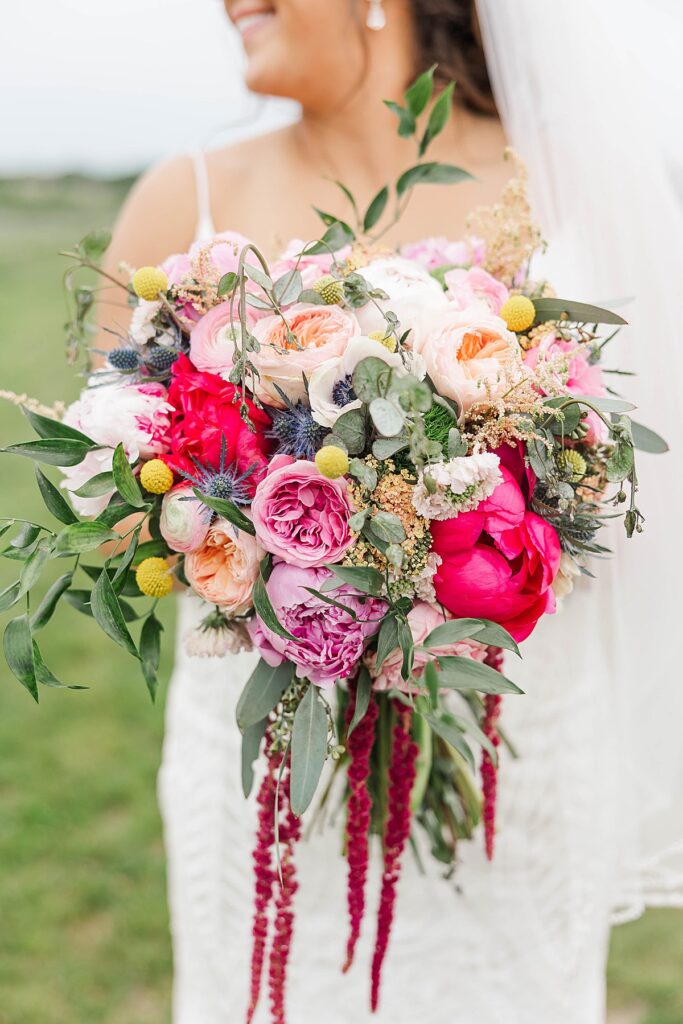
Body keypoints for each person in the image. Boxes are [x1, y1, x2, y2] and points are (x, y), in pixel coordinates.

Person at [99, 1, 683, 1021]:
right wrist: (244, 517)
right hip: (271, 793)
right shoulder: (180, 203)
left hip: (524, 761)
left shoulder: (574, 180)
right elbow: (113, 519)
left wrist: (468, 506)